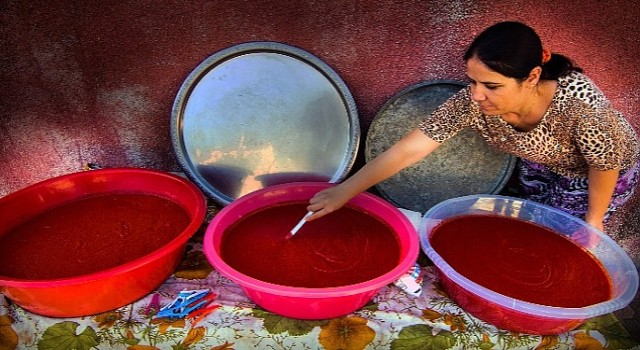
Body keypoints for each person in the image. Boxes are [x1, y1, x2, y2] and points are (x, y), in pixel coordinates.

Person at [306, 21, 639, 232]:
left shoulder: (583, 107)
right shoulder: (472, 100)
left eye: (492, 86)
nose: (476, 95)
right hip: (545, 158)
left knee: (566, 232)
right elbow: (412, 148)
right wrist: (344, 191)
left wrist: (594, 221)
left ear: (532, 77)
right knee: (530, 220)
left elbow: (604, 163)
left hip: (601, 170)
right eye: (472, 81)